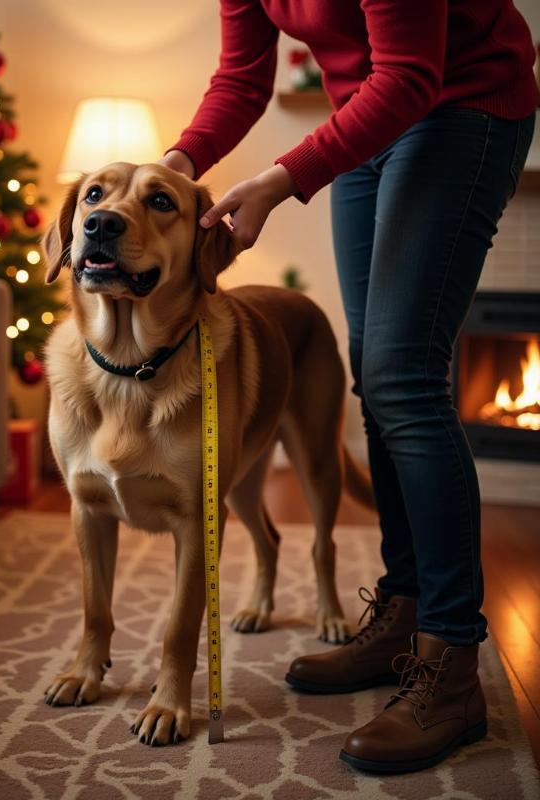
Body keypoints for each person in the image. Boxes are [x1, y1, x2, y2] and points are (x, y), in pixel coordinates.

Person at [160, 0, 538, 774]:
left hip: (460, 104)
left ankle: (452, 664)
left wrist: (280, 180)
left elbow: (409, 74)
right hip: (367, 119)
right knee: (377, 374)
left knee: (404, 377)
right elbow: (240, 76)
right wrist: (177, 165)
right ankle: (403, 616)